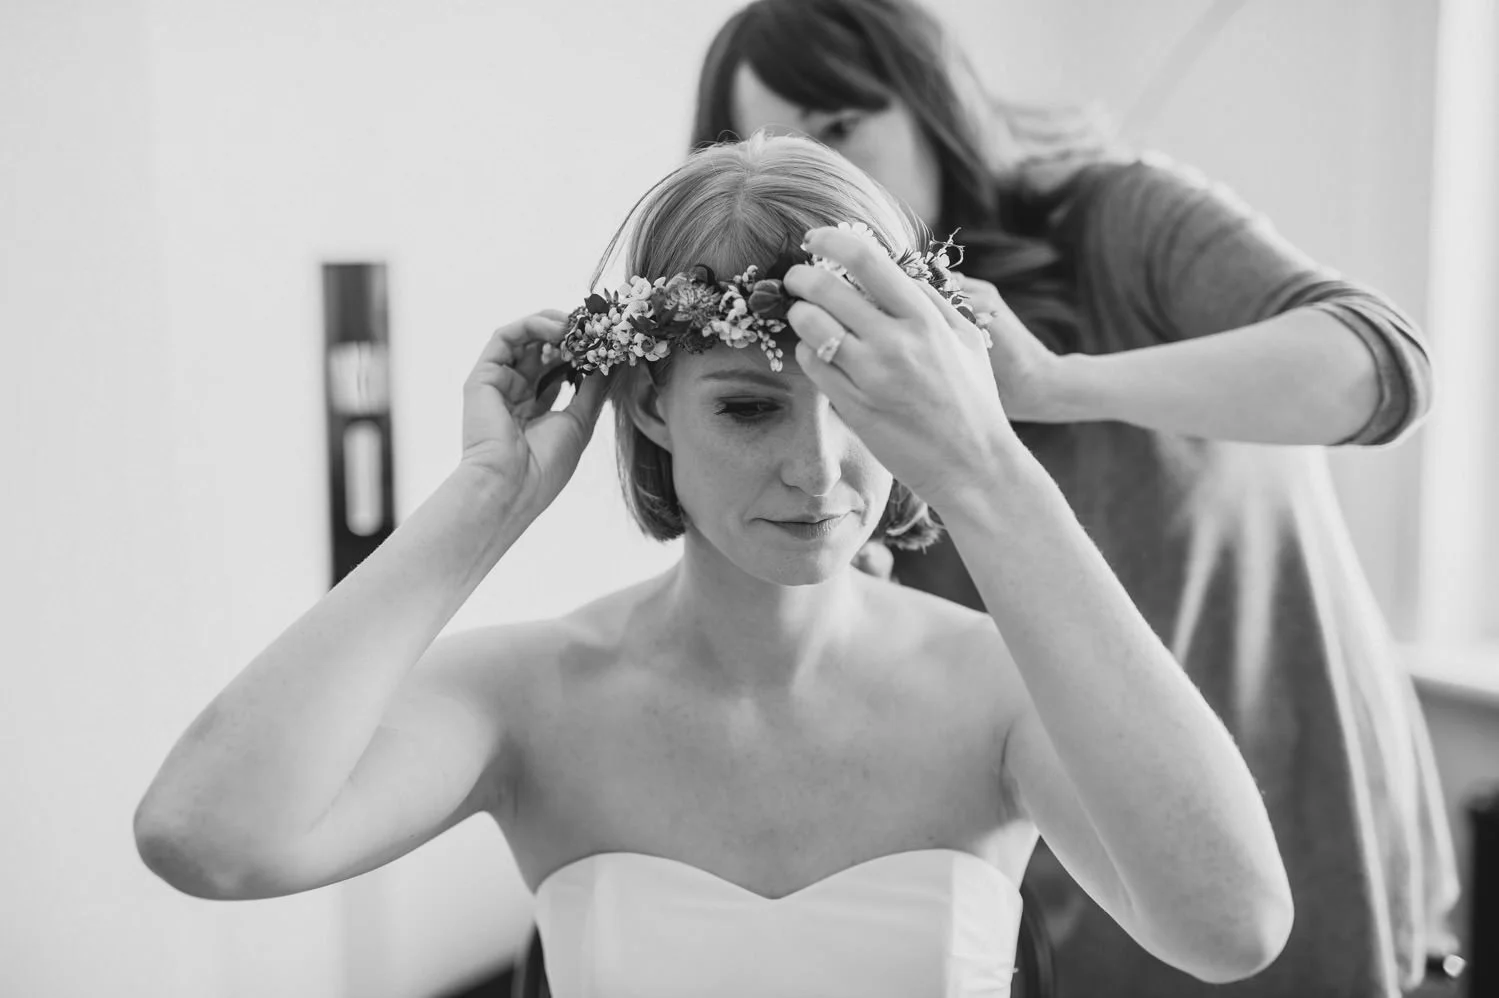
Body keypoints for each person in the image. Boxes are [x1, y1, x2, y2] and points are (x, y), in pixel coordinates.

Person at [133, 134, 1293, 998]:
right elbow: (207, 836)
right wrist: (482, 504)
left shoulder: (1002, 693)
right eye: (749, 408)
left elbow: (1231, 923)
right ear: (647, 400)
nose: (817, 471)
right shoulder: (529, 700)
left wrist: (987, 468)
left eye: (859, 405)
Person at [691, 1, 1460, 996]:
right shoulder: (817, 357)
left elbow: (1378, 367)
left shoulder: (1112, 221)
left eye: (843, 128)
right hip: (1055, 865)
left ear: (929, 107)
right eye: (785, 144)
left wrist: (1053, 385)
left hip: (1286, 795)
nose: (826, 185)